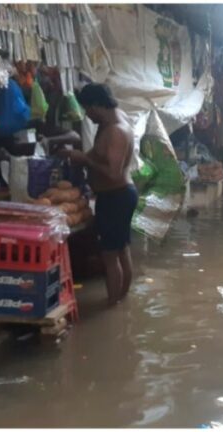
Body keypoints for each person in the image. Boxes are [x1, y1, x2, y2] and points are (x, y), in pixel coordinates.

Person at [60, 83, 137, 306]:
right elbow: (103, 157)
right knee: (121, 249)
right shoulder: (112, 120)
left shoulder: (115, 131)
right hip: (118, 195)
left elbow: (113, 172)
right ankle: (121, 301)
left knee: (110, 255)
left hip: (116, 195)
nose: (87, 115)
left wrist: (85, 159)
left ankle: (112, 306)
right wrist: (81, 156)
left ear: (96, 105)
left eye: (87, 109)